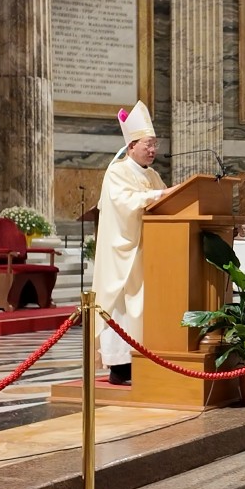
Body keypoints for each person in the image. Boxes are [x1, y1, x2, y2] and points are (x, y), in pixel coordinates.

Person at [92, 101, 177, 386]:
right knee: (123, 308)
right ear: (131, 146)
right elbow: (125, 203)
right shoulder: (117, 172)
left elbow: (168, 203)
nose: (153, 150)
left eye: (155, 145)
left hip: (149, 253)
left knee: (144, 308)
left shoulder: (152, 175)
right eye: (148, 144)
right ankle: (120, 367)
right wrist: (159, 196)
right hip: (124, 255)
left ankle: (145, 360)